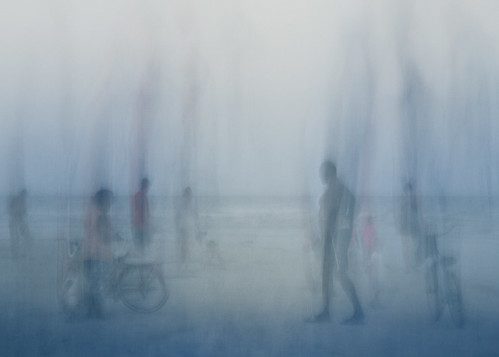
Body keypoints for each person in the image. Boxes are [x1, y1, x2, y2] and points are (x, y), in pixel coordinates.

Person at [311, 161, 364, 324]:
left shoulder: (338, 189)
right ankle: (326, 310)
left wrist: (340, 227)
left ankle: (358, 311)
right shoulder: (334, 189)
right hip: (332, 235)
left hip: (336, 236)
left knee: (340, 273)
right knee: (327, 273)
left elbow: (338, 214)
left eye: (324, 172)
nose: (322, 176)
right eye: (322, 172)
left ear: (331, 173)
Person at [83, 188, 114, 318]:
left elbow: (89, 230)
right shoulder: (101, 215)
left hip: (88, 253)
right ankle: (97, 311)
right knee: (98, 284)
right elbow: (105, 235)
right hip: (98, 255)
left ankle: (91, 310)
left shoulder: (91, 213)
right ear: (104, 202)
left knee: (93, 284)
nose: (110, 205)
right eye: (109, 202)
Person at [399, 182, 422, 271]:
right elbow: (401, 213)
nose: (408, 192)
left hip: (414, 225)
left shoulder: (416, 199)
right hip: (405, 225)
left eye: (410, 190)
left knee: (413, 246)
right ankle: (407, 266)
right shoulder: (403, 199)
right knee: (406, 246)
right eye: (407, 191)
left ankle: (412, 264)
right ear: (405, 191)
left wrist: (422, 224)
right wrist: (400, 223)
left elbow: (420, 212)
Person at [175, 186, 200, 267]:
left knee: (184, 244)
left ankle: (183, 261)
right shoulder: (185, 201)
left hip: (184, 225)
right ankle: (183, 262)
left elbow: (178, 215)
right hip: (184, 226)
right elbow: (193, 213)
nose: (190, 196)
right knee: (185, 244)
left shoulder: (183, 201)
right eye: (189, 194)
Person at [8, 189, 31, 257]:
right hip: (15, 221)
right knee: (16, 237)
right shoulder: (18, 200)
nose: (25, 197)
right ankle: (15, 253)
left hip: (18, 221)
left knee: (21, 236)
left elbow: (23, 211)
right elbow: (14, 211)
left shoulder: (20, 200)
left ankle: (17, 252)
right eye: (24, 195)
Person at [131, 178, 151, 253]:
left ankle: (140, 256)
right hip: (141, 225)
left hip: (138, 224)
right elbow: (141, 210)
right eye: (147, 186)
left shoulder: (139, 196)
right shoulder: (141, 196)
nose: (148, 188)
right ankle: (141, 258)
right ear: (144, 185)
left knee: (140, 243)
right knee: (141, 243)